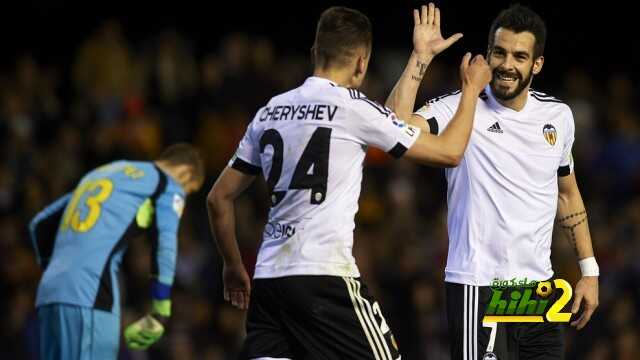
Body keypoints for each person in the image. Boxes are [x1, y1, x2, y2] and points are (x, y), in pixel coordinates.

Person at [207, 4, 491, 359]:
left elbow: (218, 199)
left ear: (315, 52)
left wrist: (233, 266)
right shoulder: (353, 107)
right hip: (324, 277)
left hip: (268, 281)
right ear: (362, 62)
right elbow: (449, 152)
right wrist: (469, 90)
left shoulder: (269, 112)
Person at [402, 5, 599, 359]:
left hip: (537, 291)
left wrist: (589, 271)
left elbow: (567, 195)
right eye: (500, 52)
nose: (507, 64)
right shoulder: (460, 107)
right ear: (488, 54)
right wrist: (420, 59)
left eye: (520, 56)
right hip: (479, 288)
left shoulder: (558, 117)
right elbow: (395, 131)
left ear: (536, 64)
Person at [29, 143, 204, 360]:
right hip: (91, 295)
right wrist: (160, 311)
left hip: (50, 294)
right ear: (186, 172)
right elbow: (165, 244)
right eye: (189, 190)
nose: (184, 199)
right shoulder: (168, 184)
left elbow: (40, 224)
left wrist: (59, 273)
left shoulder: (106, 172)